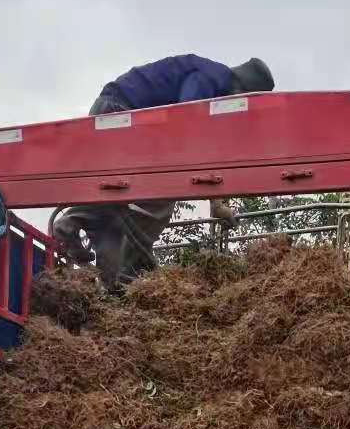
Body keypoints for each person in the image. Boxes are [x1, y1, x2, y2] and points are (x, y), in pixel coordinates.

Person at [53, 55, 275, 291]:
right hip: (119, 114)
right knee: (160, 194)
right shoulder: (211, 78)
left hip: (115, 113)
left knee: (113, 209)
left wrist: (216, 203)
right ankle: (126, 266)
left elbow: (200, 142)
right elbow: (185, 122)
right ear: (239, 90)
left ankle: (114, 291)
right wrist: (212, 197)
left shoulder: (211, 80)